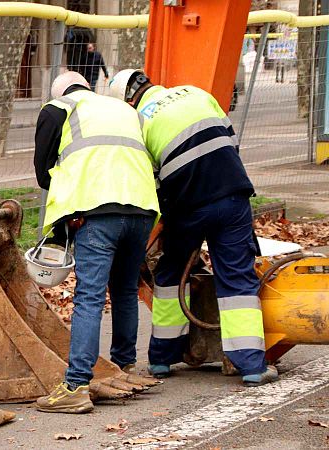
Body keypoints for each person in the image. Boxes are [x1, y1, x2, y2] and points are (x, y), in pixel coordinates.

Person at [108, 69, 278, 387]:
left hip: (187, 207)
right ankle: (251, 365)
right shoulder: (195, 92)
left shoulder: (138, 122)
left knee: (171, 275)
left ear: (128, 101)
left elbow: (150, 181)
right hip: (231, 194)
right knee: (237, 277)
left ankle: (161, 358)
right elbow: (230, 142)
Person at [32, 71, 159, 414]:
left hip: (97, 213)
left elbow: (43, 172)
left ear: (59, 91)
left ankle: (75, 385)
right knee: (124, 290)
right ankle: (125, 366)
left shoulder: (58, 108)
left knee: (89, 296)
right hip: (142, 208)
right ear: (89, 88)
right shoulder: (123, 109)